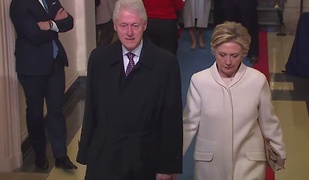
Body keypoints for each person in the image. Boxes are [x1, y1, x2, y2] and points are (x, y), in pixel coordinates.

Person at [76, 0, 183, 179]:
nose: (130, 32)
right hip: (104, 154)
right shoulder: (99, 59)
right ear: (115, 26)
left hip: (144, 157)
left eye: (135, 25)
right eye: (124, 25)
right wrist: (87, 151)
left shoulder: (165, 63)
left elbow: (171, 119)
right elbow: (91, 111)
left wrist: (167, 165)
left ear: (145, 25)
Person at [183, 21, 286, 179]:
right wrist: (169, 161)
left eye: (234, 55)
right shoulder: (199, 81)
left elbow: (269, 121)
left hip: (249, 162)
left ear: (243, 53)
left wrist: (279, 151)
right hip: (209, 164)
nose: (228, 62)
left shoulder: (257, 80)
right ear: (214, 51)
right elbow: (189, 124)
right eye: (222, 55)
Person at [9, 0, 77, 170]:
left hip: (55, 63)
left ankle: (61, 155)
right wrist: (56, 25)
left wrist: (48, 24)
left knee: (56, 111)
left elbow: (69, 22)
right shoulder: (18, 4)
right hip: (32, 67)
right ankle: (40, 154)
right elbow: (34, 34)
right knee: (35, 113)